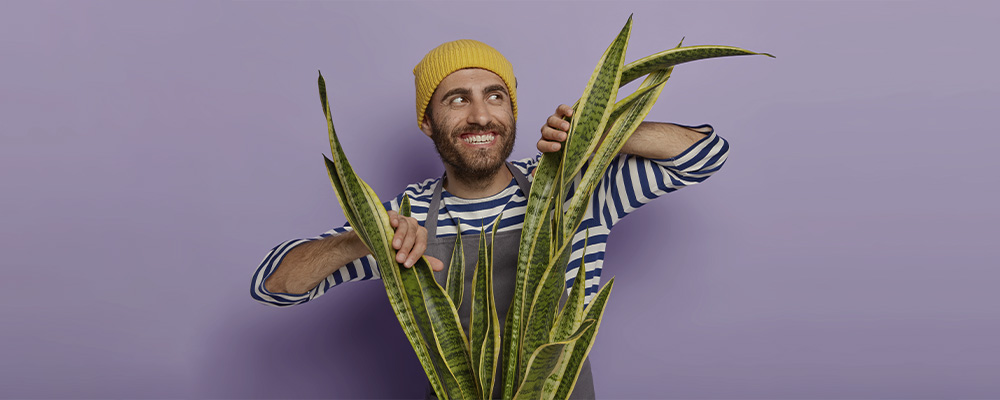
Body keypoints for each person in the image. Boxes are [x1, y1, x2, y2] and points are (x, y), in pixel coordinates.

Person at [251, 39, 729, 399]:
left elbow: (705, 154)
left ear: (512, 108)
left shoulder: (572, 191)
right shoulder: (406, 214)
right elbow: (273, 286)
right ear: (427, 121)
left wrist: (602, 131)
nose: (481, 115)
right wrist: (363, 239)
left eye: (495, 96)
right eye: (457, 99)